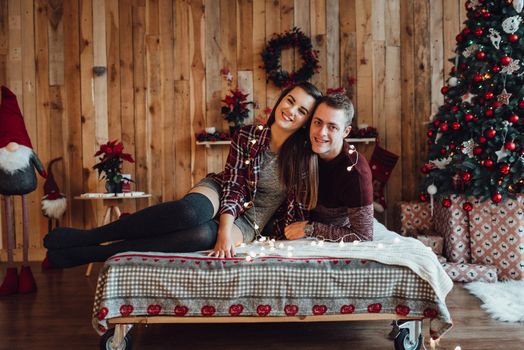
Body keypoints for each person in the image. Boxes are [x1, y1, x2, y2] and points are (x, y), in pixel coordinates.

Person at [43, 82, 322, 267]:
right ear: (281, 100)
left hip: (250, 221)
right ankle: (91, 236)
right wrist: (224, 227)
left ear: (306, 122)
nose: (290, 111)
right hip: (220, 189)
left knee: (201, 235)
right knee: (188, 214)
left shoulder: (303, 158)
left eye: (301, 111)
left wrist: (227, 233)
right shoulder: (248, 135)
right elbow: (234, 185)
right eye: (289, 100)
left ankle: (95, 253)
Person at [282, 93, 374, 242]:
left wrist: (310, 228)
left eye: (332, 127)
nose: (321, 132)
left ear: (346, 132)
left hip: (327, 236)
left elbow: (363, 235)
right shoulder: (300, 149)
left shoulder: (356, 172)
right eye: (317, 122)